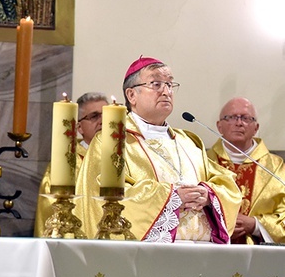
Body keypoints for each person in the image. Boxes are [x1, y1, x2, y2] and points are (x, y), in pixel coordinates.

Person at [75, 56, 241, 242]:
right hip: (146, 255)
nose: (166, 91)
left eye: (170, 84)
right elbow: (105, 197)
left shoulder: (188, 142)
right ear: (131, 95)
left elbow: (227, 185)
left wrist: (209, 195)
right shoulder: (112, 141)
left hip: (203, 253)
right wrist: (173, 197)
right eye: (156, 84)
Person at [207, 97, 285, 244]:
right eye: (230, 117)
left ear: (256, 128)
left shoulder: (276, 167)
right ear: (219, 126)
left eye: (245, 118)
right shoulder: (204, 161)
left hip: (260, 256)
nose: (238, 123)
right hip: (214, 251)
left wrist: (256, 225)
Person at [35, 92, 107, 237]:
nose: (102, 121)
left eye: (107, 115)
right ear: (79, 127)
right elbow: (50, 209)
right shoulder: (66, 162)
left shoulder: (126, 157)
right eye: (94, 116)